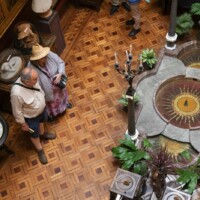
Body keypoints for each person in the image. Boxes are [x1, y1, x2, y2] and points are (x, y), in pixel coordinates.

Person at [10, 68, 56, 164]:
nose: (37, 80)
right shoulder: (16, 93)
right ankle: (39, 149)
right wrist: (23, 124)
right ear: (26, 81)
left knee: (42, 122)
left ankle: (42, 135)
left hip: (41, 111)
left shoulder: (32, 81)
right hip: (31, 118)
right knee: (34, 134)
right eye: (35, 79)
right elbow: (17, 111)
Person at [28, 43, 72, 121]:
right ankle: (52, 114)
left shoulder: (50, 55)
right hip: (46, 90)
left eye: (44, 56)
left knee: (61, 97)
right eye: (41, 57)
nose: (44, 58)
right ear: (36, 58)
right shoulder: (30, 67)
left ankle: (65, 105)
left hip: (58, 85)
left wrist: (60, 73)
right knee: (51, 103)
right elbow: (31, 81)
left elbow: (60, 63)